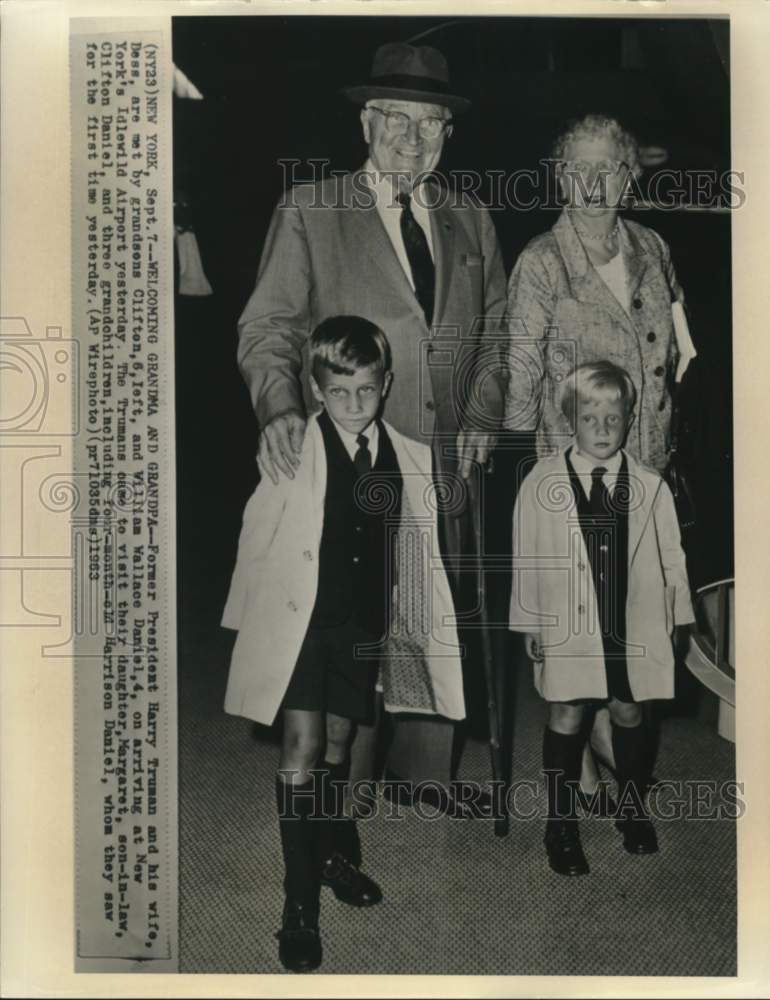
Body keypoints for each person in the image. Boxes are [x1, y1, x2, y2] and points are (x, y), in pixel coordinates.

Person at [236, 41, 507, 800]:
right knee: (352, 619)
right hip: (346, 454)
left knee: (430, 613)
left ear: (447, 135)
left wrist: (484, 410)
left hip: (447, 456)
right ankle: (343, 794)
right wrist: (281, 406)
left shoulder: (471, 218)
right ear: (365, 123)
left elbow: (497, 330)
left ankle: (421, 775)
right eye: (395, 121)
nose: (410, 139)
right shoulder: (311, 210)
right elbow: (269, 328)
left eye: (427, 125)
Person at [222, 317, 464, 970]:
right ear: (315, 388)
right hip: (300, 623)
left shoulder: (410, 457)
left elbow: (416, 555)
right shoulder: (293, 447)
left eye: (366, 390)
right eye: (338, 391)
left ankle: (328, 852)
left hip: (363, 629)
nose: (354, 405)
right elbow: (257, 531)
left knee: (336, 744)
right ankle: (297, 903)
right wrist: (248, 622)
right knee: (300, 747)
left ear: (386, 384)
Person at [503, 112, 694, 794]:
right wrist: (523, 479)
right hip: (573, 477)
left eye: (606, 168)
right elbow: (521, 370)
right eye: (576, 169)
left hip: (645, 469)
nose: (591, 183)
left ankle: (612, 738)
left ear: (628, 176)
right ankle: (579, 748)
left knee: (633, 621)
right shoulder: (541, 260)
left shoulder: (652, 246)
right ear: (558, 177)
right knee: (573, 631)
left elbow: (673, 351)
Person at [509, 361, 694, 876]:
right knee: (566, 714)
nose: (604, 429)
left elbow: (672, 558)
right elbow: (525, 557)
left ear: (630, 419)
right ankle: (560, 823)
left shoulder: (651, 485)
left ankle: (632, 807)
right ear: (571, 419)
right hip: (568, 621)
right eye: (591, 418)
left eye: (615, 417)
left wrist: (677, 621)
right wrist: (529, 622)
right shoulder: (541, 482)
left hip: (630, 621)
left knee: (629, 711)